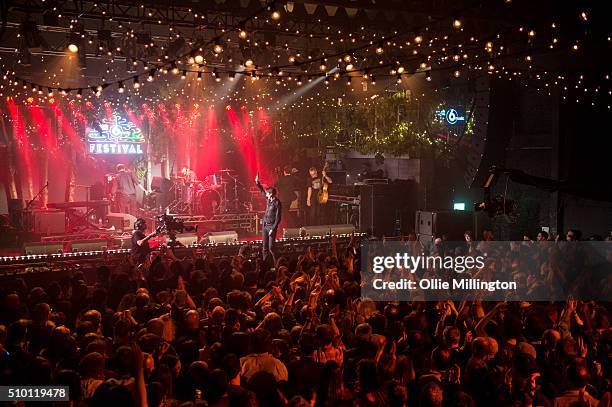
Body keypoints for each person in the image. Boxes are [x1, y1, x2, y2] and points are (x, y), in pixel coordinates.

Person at [255, 173, 281, 264]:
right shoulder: (268, 200)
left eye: (267, 193)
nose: (266, 194)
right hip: (265, 225)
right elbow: (262, 191)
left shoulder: (277, 203)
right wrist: (257, 183)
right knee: (264, 247)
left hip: (271, 227)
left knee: (271, 248)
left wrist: (273, 229)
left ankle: (277, 264)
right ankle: (265, 265)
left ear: (271, 194)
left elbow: (278, 218)